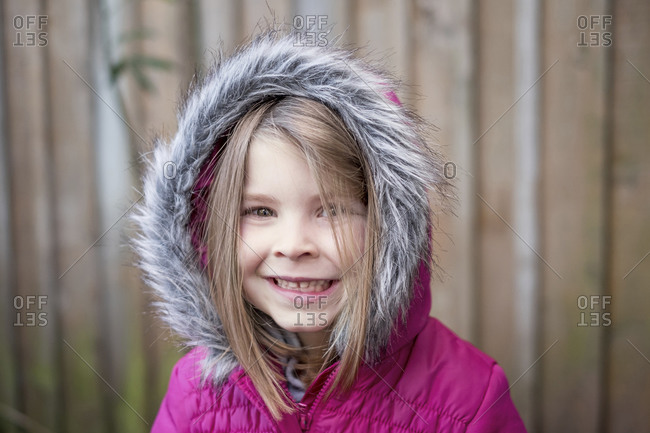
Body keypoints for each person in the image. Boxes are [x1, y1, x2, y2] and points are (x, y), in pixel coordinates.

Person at [133, 27, 528, 433]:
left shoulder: (469, 398)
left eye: (332, 210)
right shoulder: (194, 394)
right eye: (260, 211)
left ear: (390, 227)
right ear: (208, 233)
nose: (294, 245)